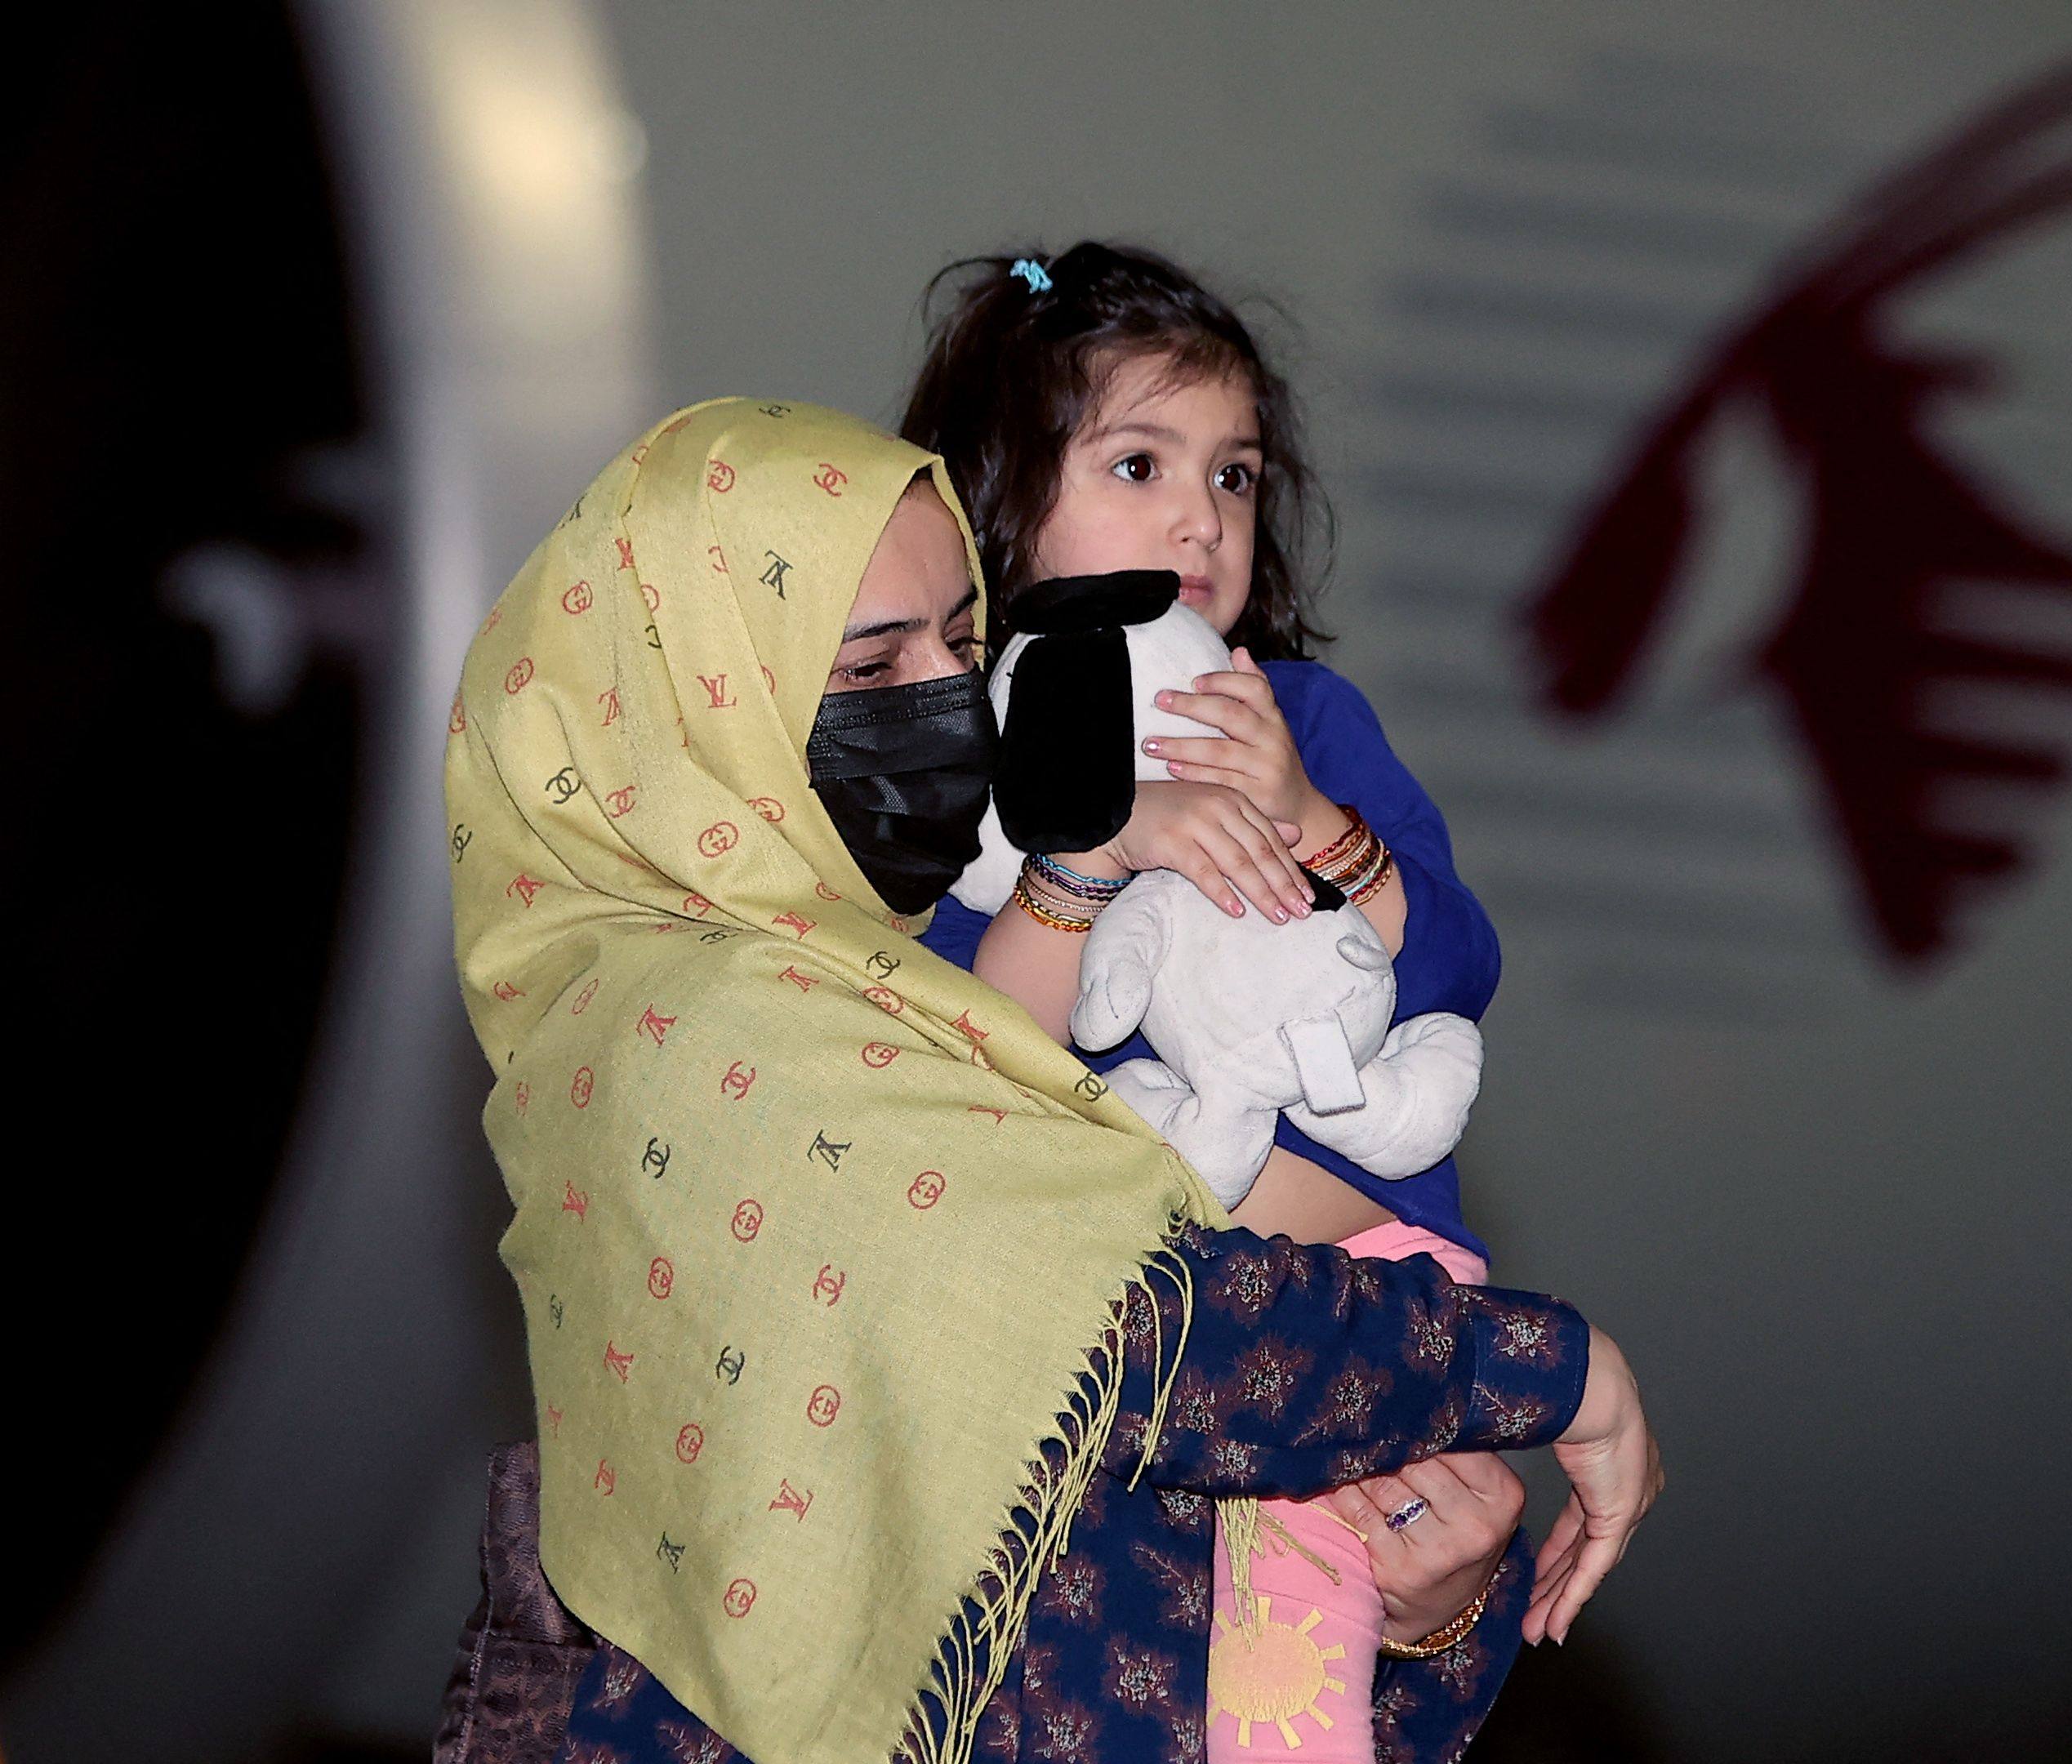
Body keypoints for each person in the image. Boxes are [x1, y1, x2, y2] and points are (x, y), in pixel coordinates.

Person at [442, 398, 1658, 1764]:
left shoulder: (910, 984)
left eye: (963, 645)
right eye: (874, 660)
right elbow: (1129, 1330)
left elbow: (1142, 1640)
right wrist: (1547, 1368)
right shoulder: (700, 1025)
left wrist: (1427, 1621)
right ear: (698, 703)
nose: (946, 699)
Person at [899, 243, 1555, 1761]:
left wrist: (1315, 817)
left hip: (1355, 1300)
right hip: (1103, 1366)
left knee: (1302, 1675)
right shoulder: (958, 771)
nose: (1202, 516)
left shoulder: (1303, 714)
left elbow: (1455, 969)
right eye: (1140, 464)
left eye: (1238, 476)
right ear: (997, 499)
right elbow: (981, 1070)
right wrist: (1094, 846)